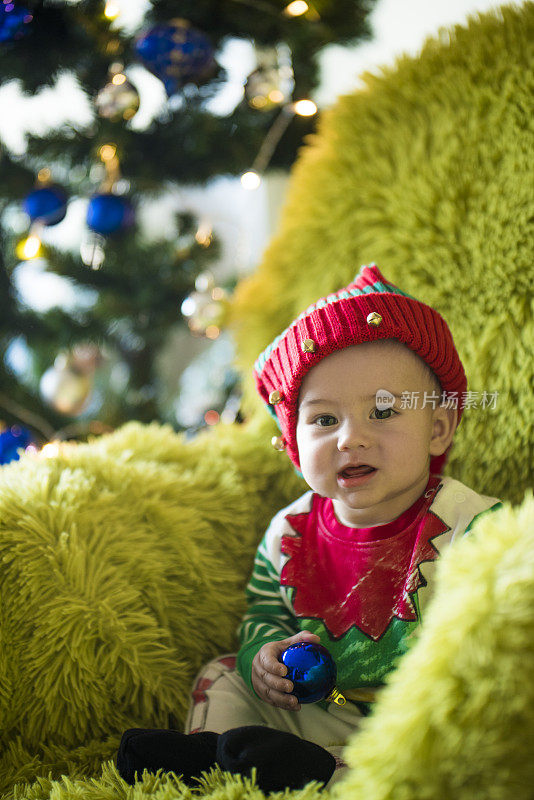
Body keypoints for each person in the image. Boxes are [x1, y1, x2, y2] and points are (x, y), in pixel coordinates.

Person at [117, 264, 502, 791]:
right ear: (295, 447)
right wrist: (265, 660)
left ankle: (319, 772)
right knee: (223, 673)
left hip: (425, 716)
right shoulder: (287, 532)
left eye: (383, 412)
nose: (350, 439)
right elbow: (264, 613)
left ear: (438, 429)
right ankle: (216, 757)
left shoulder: (473, 524)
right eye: (324, 420)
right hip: (327, 705)